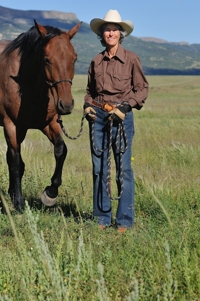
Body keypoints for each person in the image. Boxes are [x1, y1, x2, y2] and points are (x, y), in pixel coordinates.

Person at [83, 9, 149, 233]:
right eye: (106, 30)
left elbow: (142, 89)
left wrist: (126, 106)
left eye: (114, 30)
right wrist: (88, 107)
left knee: (124, 170)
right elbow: (89, 93)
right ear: (101, 34)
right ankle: (101, 218)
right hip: (99, 119)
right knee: (99, 168)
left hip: (122, 118)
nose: (110, 33)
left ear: (121, 34)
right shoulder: (95, 61)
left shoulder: (131, 59)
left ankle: (124, 221)